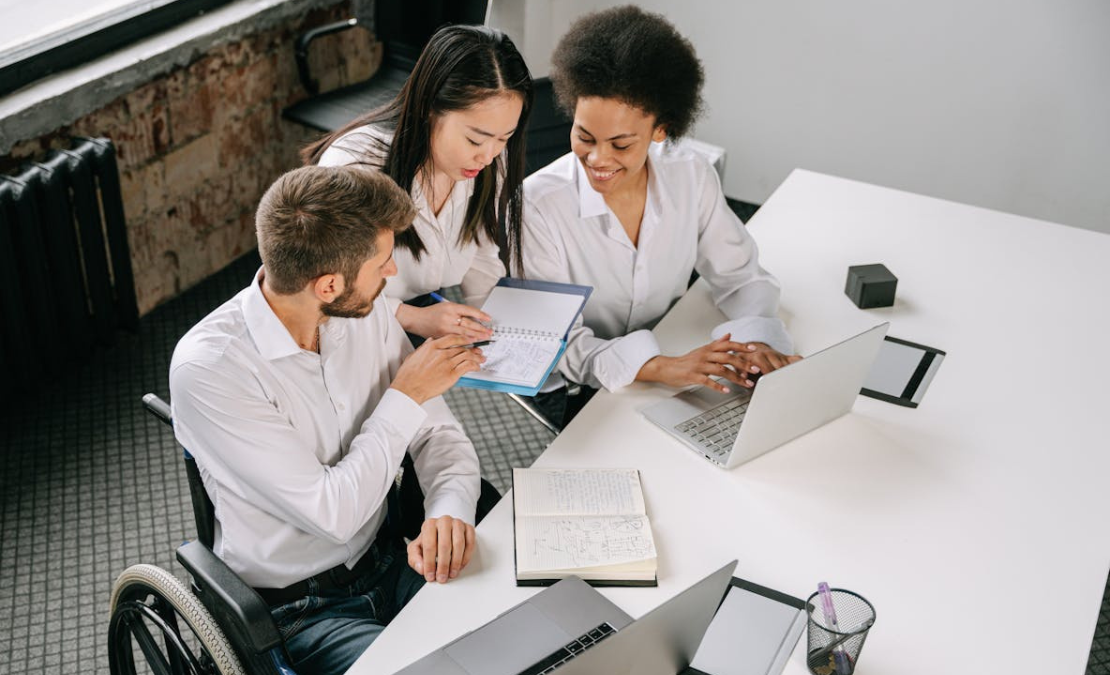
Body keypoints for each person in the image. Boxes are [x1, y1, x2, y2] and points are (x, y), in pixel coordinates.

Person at [169, 166, 487, 675]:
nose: (390, 276)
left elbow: (437, 434)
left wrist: (448, 508)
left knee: (512, 634)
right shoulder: (209, 369)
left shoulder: (367, 313)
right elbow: (332, 514)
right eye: (382, 264)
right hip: (298, 609)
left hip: (390, 559)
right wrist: (405, 395)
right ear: (329, 284)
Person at [520, 5, 801, 427]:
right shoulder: (538, 206)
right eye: (584, 136)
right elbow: (553, 342)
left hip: (678, 355)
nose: (598, 159)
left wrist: (755, 340)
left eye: (620, 144)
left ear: (660, 130)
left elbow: (741, 276)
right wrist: (658, 366)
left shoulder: (691, 175)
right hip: (590, 386)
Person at [302, 24, 533, 344]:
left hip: (423, 319)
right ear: (428, 107)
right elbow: (323, 293)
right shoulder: (355, 169)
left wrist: (495, 328)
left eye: (504, 138)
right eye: (474, 139)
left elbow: (481, 258)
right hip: (343, 330)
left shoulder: (491, 163)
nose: (489, 156)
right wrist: (412, 318)